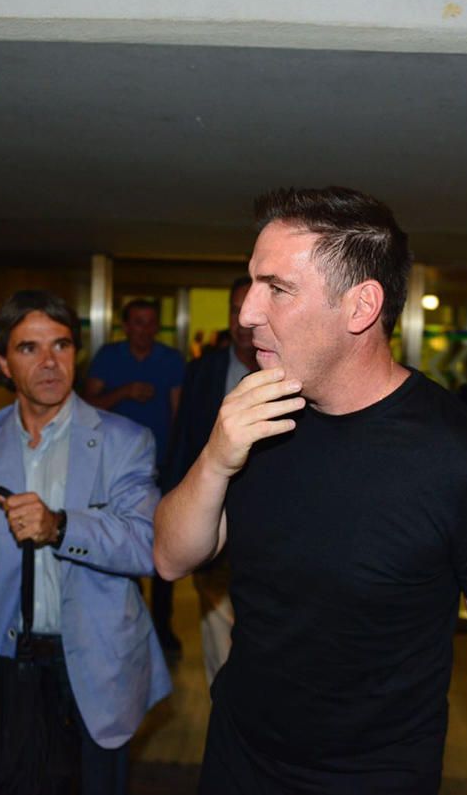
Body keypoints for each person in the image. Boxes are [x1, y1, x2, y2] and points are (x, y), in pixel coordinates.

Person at [155, 186, 467, 795]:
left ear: (361, 306)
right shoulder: (256, 413)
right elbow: (171, 559)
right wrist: (216, 458)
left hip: (374, 776)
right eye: (252, 284)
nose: (247, 312)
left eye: (277, 288)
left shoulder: (463, 461)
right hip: (238, 755)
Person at [0, 290, 170, 795]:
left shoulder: (124, 440)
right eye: (29, 348)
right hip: (7, 661)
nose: (50, 362)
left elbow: (148, 545)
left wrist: (60, 526)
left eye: (61, 345)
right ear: (3, 364)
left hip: (97, 664)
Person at [160, 275, 257, 685]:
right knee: (219, 638)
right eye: (235, 310)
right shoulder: (203, 371)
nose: (243, 320)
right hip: (215, 523)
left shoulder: (293, 371)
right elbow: (184, 439)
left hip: (271, 531)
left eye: (250, 309)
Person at [83, 299, 186, 657]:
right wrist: (124, 392)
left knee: (164, 544)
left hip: (160, 468)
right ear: (126, 326)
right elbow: (86, 404)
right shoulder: (109, 357)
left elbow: (178, 412)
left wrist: (179, 465)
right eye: (138, 322)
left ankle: (162, 626)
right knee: (120, 542)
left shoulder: (170, 359)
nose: (144, 329)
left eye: (151, 322)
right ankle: (127, 619)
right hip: (112, 470)